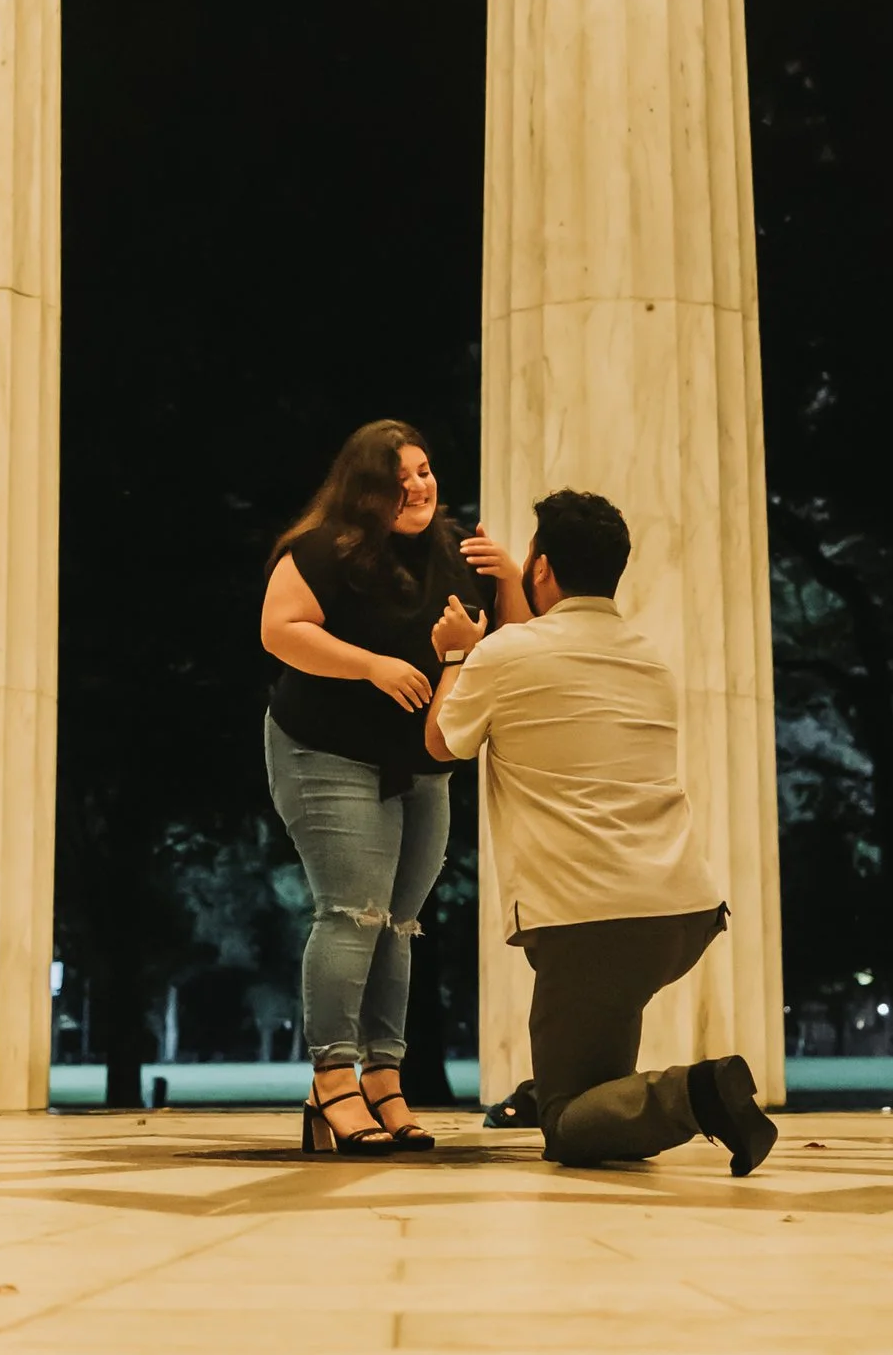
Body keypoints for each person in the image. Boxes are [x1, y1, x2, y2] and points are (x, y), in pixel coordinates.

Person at [424, 487, 776, 1176]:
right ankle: (602, 1087)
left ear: (544, 568)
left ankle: (695, 1093)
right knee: (592, 1074)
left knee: (567, 1126)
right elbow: (544, 657)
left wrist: (455, 656)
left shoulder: (505, 656)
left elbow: (441, 742)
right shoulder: (647, 658)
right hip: (683, 913)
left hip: (592, 921)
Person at [261, 419, 530, 1152]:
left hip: (420, 761)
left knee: (400, 925)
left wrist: (506, 578)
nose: (419, 485)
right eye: (400, 476)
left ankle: (384, 1079)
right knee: (352, 913)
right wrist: (370, 664)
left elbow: (518, 643)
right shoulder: (323, 548)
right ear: (365, 489)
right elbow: (280, 629)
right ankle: (332, 1082)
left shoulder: (456, 549)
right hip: (326, 748)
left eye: (425, 470)